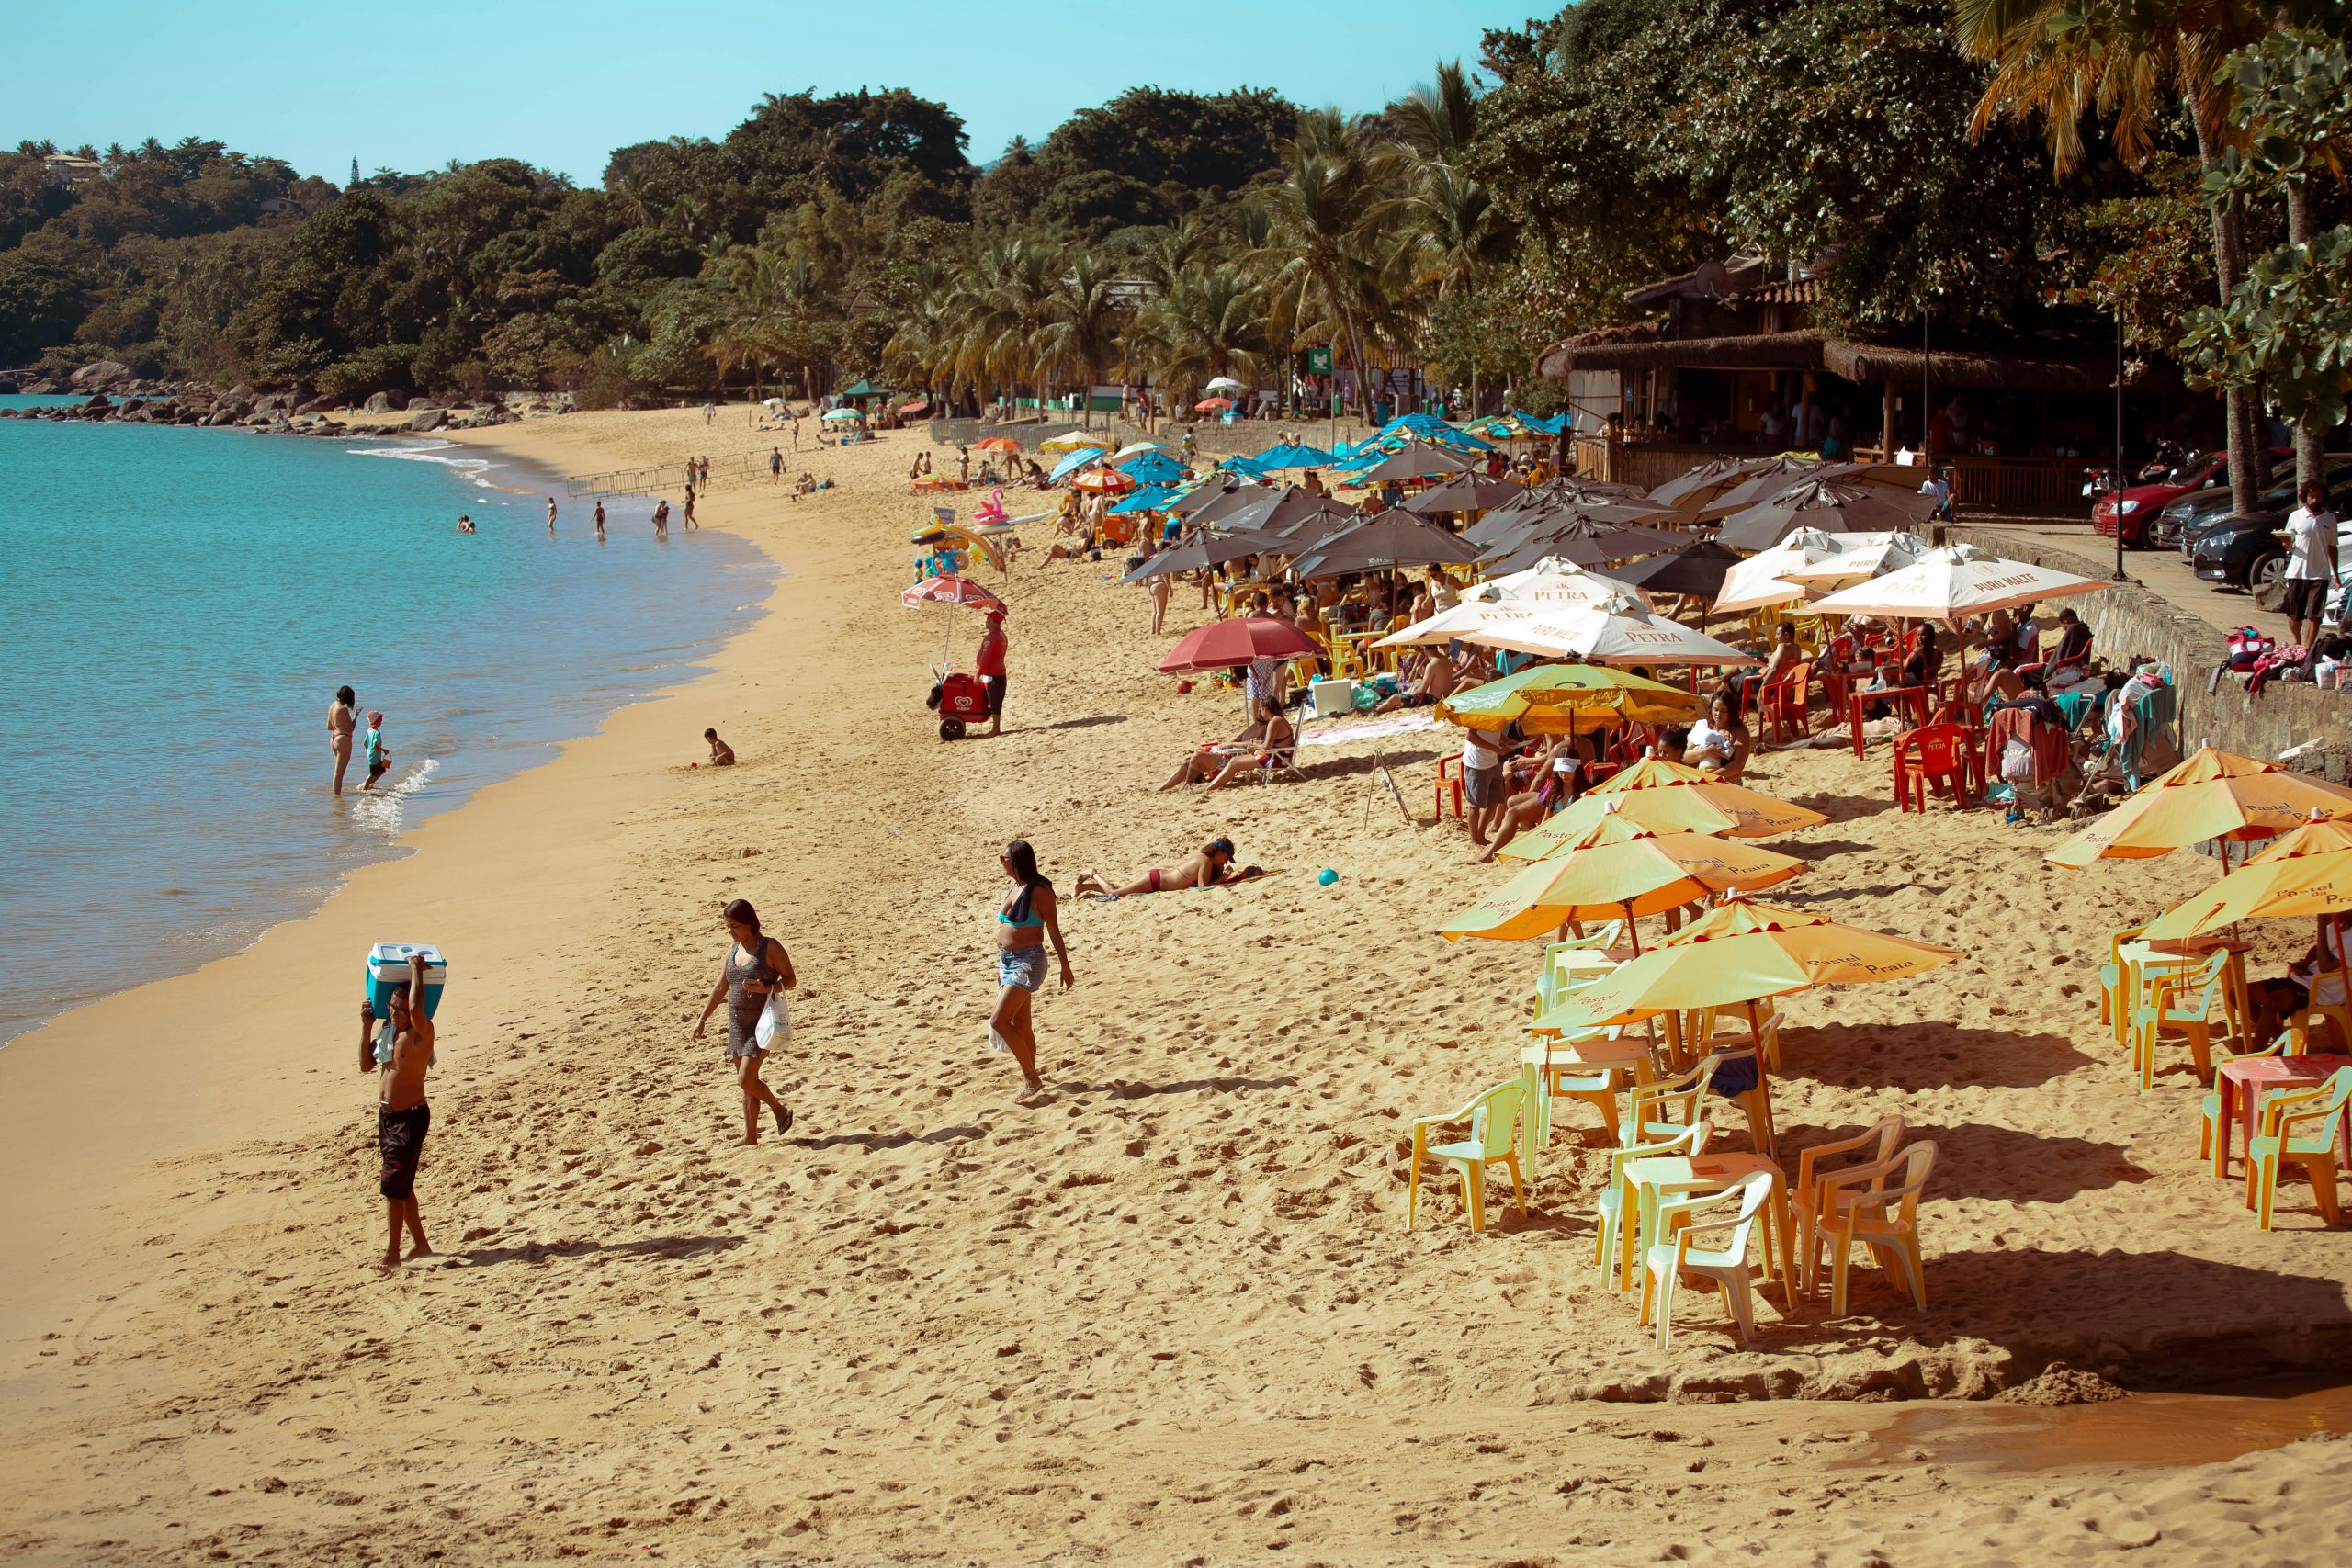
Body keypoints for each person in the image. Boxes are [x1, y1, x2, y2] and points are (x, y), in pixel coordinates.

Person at [690, 898, 796, 1145]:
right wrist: (702, 1019)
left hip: (762, 1024)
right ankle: (750, 1136)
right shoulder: (733, 949)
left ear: (750, 923)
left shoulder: (770, 947)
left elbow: (791, 980)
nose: (731, 931)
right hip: (737, 1024)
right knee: (747, 1083)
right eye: (728, 927)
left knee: (745, 1078)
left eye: (735, 926)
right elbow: (721, 986)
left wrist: (766, 987)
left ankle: (779, 1109)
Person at [360, 953, 437, 1269]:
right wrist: (366, 1027)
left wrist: (416, 970)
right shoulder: (389, 1031)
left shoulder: (421, 1033)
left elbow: (418, 1007)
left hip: (410, 1117)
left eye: (401, 1009)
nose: (395, 1013)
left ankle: (392, 1255)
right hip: (388, 1118)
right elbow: (366, 1065)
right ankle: (421, 1245)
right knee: (401, 1185)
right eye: (391, 1007)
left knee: (393, 1187)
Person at [990, 840, 1075, 1098]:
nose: (1000, 862)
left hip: (1028, 962)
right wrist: (1000, 965)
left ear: (1016, 861)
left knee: (999, 1021)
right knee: (1021, 1024)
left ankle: (1031, 1078)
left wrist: (1065, 966)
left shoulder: (1040, 891)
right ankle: (1030, 1076)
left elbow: (1053, 930)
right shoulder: (1015, 885)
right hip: (1007, 960)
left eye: (1003, 858)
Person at [1160, 697, 1295, 790]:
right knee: (1193, 761)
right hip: (1277, 756)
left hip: (1276, 759)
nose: (1260, 712)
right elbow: (1269, 744)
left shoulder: (1274, 721)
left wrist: (1255, 747)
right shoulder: (1279, 720)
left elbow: (1267, 747)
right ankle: (1166, 788)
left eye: (1261, 709)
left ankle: (1205, 788)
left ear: (1266, 709)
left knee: (1233, 762)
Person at [1073, 838, 1254, 898]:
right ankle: (1093, 873)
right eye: (1226, 858)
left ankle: (1083, 887)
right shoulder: (1205, 862)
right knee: (1115, 893)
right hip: (1155, 880)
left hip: (1157, 879)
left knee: (1121, 889)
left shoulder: (1204, 859)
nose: (1226, 862)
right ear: (1219, 853)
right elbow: (1202, 888)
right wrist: (1224, 877)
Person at [2283, 480, 2340, 649]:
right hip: (2297, 572)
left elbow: (2332, 547)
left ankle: (2307, 649)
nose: (2315, 500)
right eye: (2312, 497)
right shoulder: (2295, 516)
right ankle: (2297, 640)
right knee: (2295, 615)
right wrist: (2285, 544)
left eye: (2319, 497)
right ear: (2305, 497)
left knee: (2315, 616)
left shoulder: (2330, 518)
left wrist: (2335, 574)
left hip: (2320, 574)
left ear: (2324, 498)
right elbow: (2288, 543)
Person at [1461, 722, 1511, 848]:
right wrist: (1498, 749)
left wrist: (1506, 740)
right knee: (1475, 805)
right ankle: (1474, 841)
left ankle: (1481, 835)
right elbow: (1470, 736)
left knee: (1495, 800)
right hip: (1477, 763)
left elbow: (1493, 729)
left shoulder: (1496, 709)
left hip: (1492, 761)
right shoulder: (1479, 710)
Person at [1685, 691, 1750, 780]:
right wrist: (1706, 751)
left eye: (1723, 711)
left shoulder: (1740, 732)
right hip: (1703, 780)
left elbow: (1738, 765)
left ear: (1731, 712)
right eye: (1715, 709)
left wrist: (1710, 778)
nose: (1718, 714)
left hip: (1728, 783)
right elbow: (1687, 757)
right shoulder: (1703, 726)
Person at [976, 609, 1009, 737]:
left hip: (993, 674)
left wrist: (978, 673)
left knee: (994, 700)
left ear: (994, 622)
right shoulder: (1001, 635)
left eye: (988, 619)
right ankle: (995, 728)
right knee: (995, 700)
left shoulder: (993, 637)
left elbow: (986, 657)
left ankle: (996, 730)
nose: (986, 621)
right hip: (998, 673)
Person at [327, 685, 358, 796]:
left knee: (337, 771)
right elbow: (350, 729)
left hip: (333, 738)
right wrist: (355, 717)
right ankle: (337, 797)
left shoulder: (332, 706)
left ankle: (337, 795)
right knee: (339, 773)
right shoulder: (343, 709)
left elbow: (329, 727)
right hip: (343, 740)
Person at [360, 711, 391, 791]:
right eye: (380, 720)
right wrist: (384, 750)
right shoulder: (377, 733)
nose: (381, 721)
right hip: (374, 756)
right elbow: (375, 746)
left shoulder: (369, 730)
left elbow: (364, 743)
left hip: (371, 755)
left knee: (382, 770)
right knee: (372, 774)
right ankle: (364, 789)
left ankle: (370, 784)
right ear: (378, 722)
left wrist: (369, 751)